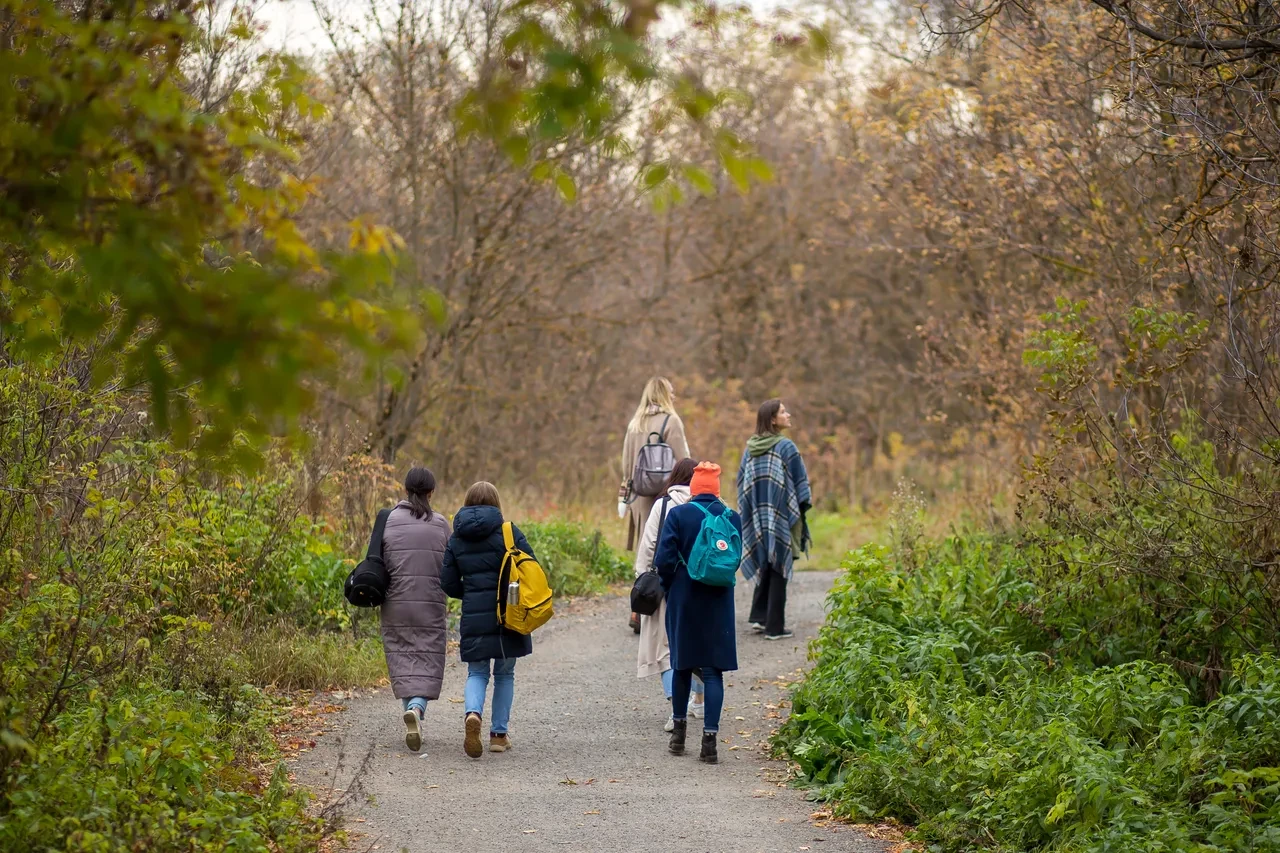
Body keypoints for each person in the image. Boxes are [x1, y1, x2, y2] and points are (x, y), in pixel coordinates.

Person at [653, 461, 741, 764]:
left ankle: (678, 735)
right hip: (719, 601)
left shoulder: (678, 515)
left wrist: (669, 587)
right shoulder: (731, 517)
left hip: (684, 598)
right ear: (716, 489)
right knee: (713, 671)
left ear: (693, 488)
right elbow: (735, 559)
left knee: (681, 665)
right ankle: (710, 742)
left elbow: (664, 560)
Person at [440, 481, 534, 759]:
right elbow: (531, 568)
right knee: (505, 674)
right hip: (509, 615)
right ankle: (498, 736)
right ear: (496, 503)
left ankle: (473, 714)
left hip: (474, 616)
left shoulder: (457, 538)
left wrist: (470, 593)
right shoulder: (508, 532)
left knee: (477, 673)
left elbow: (447, 581)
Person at [379, 466, 451, 753]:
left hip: (395, 602)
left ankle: (411, 712)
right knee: (428, 658)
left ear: (406, 490)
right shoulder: (441, 524)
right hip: (430, 603)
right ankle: (417, 709)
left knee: (402, 656)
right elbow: (451, 564)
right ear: (431, 492)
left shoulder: (388, 521)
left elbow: (378, 560)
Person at [633, 458, 705, 730]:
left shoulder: (663, 505)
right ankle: (699, 701)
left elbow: (649, 544)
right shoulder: (707, 505)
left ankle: (678, 708)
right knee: (695, 643)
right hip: (699, 585)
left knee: (665, 648)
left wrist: (642, 577)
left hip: (666, 584)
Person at [737, 399, 812, 641]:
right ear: (772, 419)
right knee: (778, 560)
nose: (788, 415)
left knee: (765, 559)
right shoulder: (786, 447)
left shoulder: (750, 448)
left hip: (757, 515)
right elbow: (800, 482)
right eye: (783, 412)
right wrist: (799, 509)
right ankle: (774, 627)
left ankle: (760, 616)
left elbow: (741, 484)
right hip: (781, 515)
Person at [621, 376, 691, 633]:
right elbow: (683, 460)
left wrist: (626, 491)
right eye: (671, 391)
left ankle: (637, 607)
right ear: (663, 394)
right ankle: (661, 609)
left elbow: (626, 463)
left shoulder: (635, 422)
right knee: (665, 549)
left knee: (644, 549)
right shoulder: (671, 421)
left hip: (640, 496)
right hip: (665, 496)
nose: (674, 396)